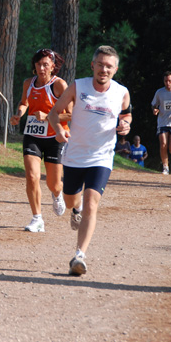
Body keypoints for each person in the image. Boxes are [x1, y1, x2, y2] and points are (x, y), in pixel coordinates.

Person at [48, 45, 131, 276]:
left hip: (102, 157)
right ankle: (76, 209)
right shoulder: (78, 86)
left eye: (109, 66)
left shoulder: (121, 92)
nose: (104, 69)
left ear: (115, 69)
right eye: (100, 64)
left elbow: (126, 114)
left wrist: (126, 125)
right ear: (92, 65)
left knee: (92, 204)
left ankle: (79, 255)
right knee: (70, 199)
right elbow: (55, 113)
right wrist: (59, 130)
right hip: (74, 155)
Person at [9, 49, 72, 232]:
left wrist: (49, 116)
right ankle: (37, 218)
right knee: (32, 176)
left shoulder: (59, 85)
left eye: (46, 64)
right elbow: (24, 102)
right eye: (38, 64)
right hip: (33, 136)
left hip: (55, 137)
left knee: (54, 183)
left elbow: (71, 115)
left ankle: (57, 193)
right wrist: (19, 114)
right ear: (34, 66)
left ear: (53, 66)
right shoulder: (28, 83)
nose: (42, 68)